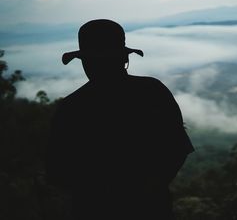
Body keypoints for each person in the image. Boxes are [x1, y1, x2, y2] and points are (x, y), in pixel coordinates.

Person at [45, 19, 194, 220]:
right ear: (124, 58)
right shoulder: (152, 92)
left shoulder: (72, 107)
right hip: (152, 209)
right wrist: (149, 187)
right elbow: (177, 149)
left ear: (85, 62)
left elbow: (57, 173)